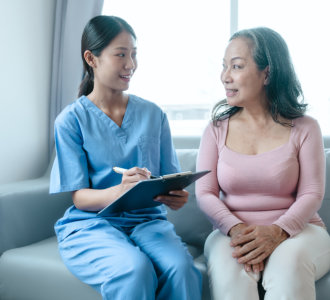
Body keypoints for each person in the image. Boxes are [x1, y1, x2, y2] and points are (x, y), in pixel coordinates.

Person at [50, 15, 202, 300]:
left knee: (183, 270)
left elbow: (167, 179)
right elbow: (79, 197)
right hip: (92, 223)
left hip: (148, 221)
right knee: (134, 270)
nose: (131, 64)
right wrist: (120, 190)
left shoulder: (154, 115)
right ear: (91, 59)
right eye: (121, 54)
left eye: (134, 55)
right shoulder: (70, 120)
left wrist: (175, 196)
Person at [196, 27, 330, 300]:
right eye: (224, 67)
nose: (225, 77)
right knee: (229, 271)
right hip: (231, 233)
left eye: (236, 66)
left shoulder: (305, 128)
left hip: (299, 231)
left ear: (266, 73)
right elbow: (205, 193)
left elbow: (312, 194)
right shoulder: (215, 129)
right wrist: (236, 230)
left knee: (289, 265)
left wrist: (277, 231)